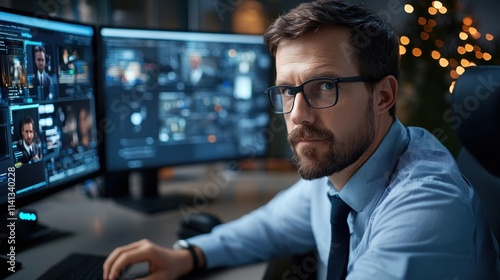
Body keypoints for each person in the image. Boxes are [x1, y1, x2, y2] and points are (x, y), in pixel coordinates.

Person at [103, 1, 500, 279]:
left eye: (324, 86)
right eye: (286, 91)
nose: (297, 114)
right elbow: (270, 227)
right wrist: (187, 255)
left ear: (383, 96)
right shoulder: (339, 168)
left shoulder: (428, 206)